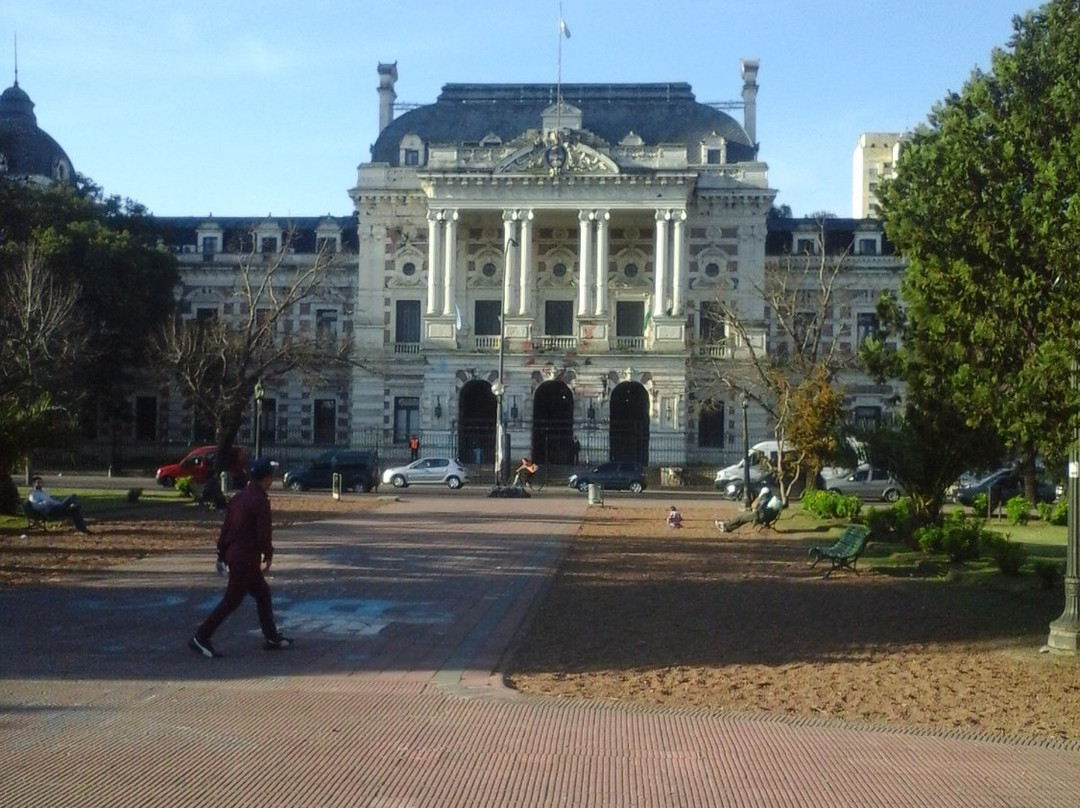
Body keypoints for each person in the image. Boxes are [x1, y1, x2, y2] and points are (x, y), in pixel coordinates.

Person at [189, 457, 292, 658]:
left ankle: (271, 636)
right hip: (245, 559)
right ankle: (201, 636)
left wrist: (221, 552)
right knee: (231, 600)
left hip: (236, 556)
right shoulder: (260, 501)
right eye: (271, 477)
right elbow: (264, 533)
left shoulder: (239, 497)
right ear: (267, 479)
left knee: (262, 593)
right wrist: (268, 554)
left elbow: (227, 527)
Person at [716, 484, 783, 533]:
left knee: (741, 518)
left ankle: (725, 526)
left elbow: (754, 505)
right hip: (764, 516)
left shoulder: (765, 499)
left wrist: (759, 497)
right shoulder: (772, 499)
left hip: (758, 516)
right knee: (743, 519)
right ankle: (727, 528)